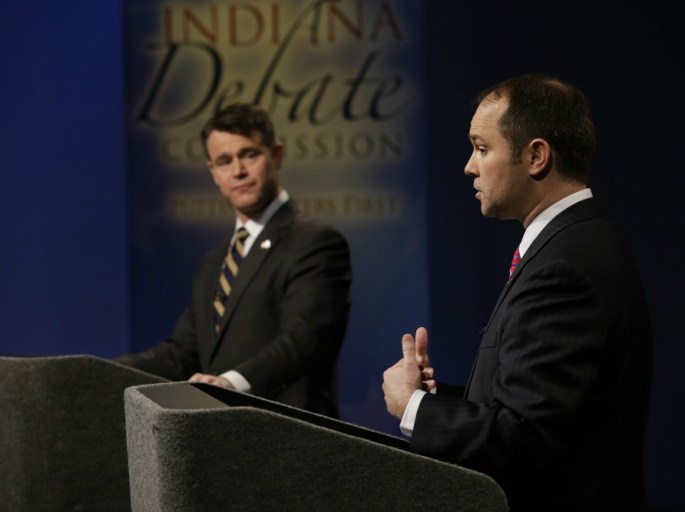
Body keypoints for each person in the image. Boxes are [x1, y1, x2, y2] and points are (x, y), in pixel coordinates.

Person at [382, 74, 653, 510]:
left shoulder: (565, 268)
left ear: (536, 156)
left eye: (482, 148)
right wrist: (443, 402)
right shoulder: (575, 242)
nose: (469, 166)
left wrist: (412, 406)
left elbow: (524, 439)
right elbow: (538, 410)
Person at [117, 103, 352, 417]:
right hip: (222, 442)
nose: (238, 171)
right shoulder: (214, 262)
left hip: (291, 437)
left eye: (249, 155)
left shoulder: (315, 242)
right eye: (224, 161)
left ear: (276, 155)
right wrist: (101, 371)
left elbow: (304, 338)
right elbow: (183, 354)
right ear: (213, 172)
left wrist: (230, 384)